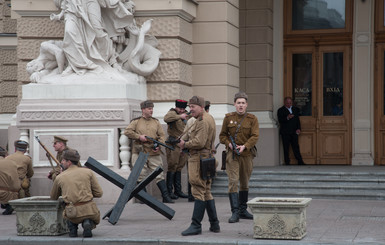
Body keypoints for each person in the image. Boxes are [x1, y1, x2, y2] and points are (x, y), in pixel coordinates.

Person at [178, 96, 220, 236]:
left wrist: (185, 144)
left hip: (198, 158)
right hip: (207, 158)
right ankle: (214, 224)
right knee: (206, 190)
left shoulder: (202, 121)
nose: (191, 109)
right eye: (190, 107)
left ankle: (196, 225)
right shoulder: (209, 118)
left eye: (193, 107)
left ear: (201, 107)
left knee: (198, 190)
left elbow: (199, 142)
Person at [219, 92, 259, 223]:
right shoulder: (228, 118)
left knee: (245, 182)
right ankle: (234, 212)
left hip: (246, 154)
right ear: (234, 104)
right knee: (233, 182)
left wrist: (245, 146)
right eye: (238, 103)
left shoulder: (252, 119)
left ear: (246, 105)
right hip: (233, 155)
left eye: (243, 103)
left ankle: (243, 210)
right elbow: (222, 135)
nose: (241, 105)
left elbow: (255, 136)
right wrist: (229, 144)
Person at [124, 100, 174, 203]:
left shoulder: (156, 122)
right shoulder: (136, 122)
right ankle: (144, 197)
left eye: (152, 109)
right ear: (143, 110)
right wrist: (139, 137)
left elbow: (161, 135)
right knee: (140, 174)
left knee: (159, 173)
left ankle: (165, 196)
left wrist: (158, 145)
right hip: (139, 151)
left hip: (153, 151)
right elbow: (127, 131)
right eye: (149, 109)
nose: (151, 111)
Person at [50, 149, 103, 238]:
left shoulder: (60, 177)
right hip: (89, 210)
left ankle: (72, 228)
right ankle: (87, 222)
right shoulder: (88, 172)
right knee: (89, 214)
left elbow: (53, 196)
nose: (61, 162)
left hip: (72, 213)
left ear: (69, 162)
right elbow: (99, 193)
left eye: (63, 160)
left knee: (69, 216)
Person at [164, 99, 189, 199]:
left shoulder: (187, 114)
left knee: (179, 166)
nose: (182, 110)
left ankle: (178, 191)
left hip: (184, 144)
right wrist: (179, 116)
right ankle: (169, 192)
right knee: (172, 166)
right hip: (173, 143)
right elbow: (166, 118)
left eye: (183, 109)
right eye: (180, 108)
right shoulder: (172, 113)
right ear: (176, 107)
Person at [277, 96, 305, 165]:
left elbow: (297, 120)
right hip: (285, 132)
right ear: (284, 103)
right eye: (287, 103)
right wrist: (287, 117)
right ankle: (287, 162)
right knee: (286, 148)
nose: (289, 104)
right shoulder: (280, 110)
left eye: (290, 103)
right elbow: (280, 120)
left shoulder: (295, 109)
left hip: (294, 132)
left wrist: (299, 128)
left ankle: (300, 161)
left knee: (296, 147)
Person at [0, 147, 20, 215]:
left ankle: (5, 203)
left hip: (2, 193)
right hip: (15, 194)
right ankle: (6, 204)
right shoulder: (13, 162)